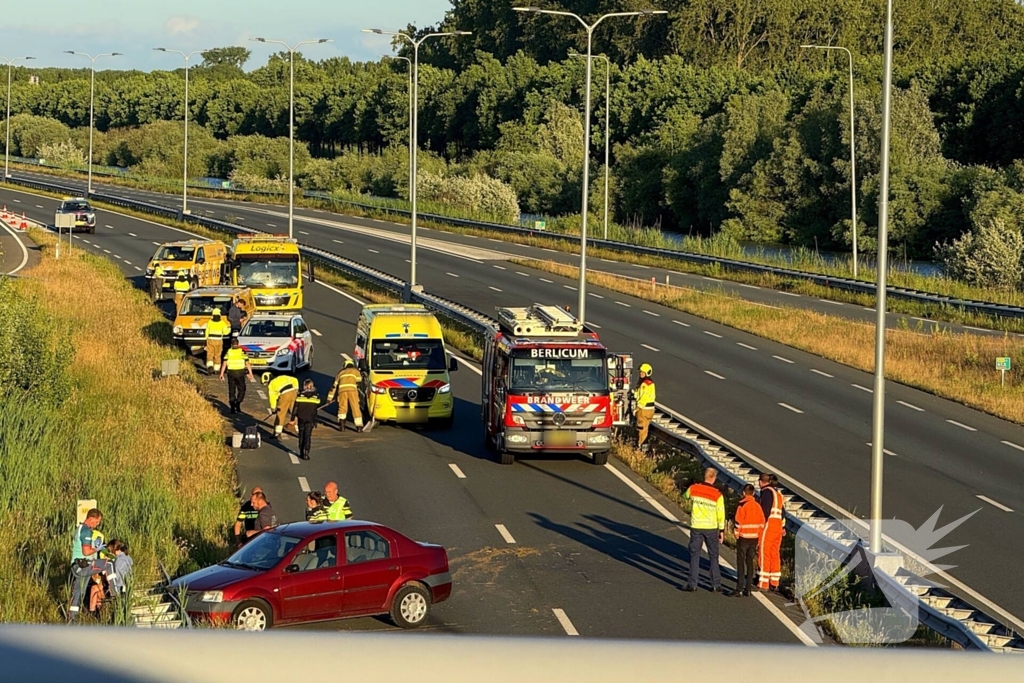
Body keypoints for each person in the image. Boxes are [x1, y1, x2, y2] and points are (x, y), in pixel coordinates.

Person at [682, 468, 725, 593]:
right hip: (711, 528)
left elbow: (685, 496)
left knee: (694, 555)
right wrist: (721, 530)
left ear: (705, 476)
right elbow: (721, 514)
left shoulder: (694, 488)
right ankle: (716, 584)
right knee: (713, 555)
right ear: (714, 478)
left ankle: (692, 584)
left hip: (697, 526)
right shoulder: (717, 495)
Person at [68, 508, 108, 622]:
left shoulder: (79, 529)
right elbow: (86, 552)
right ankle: (116, 591)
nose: (97, 524)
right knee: (108, 564)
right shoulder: (86, 531)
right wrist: (98, 549)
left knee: (78, 593)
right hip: (83, 565)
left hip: (78, 565)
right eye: (96, 521)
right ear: (91, 518)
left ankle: (72, 618)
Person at [733, 484, 766, 597]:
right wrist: (758, 535)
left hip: (743, 538)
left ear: (744, 493)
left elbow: (738, 522)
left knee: (741, 563)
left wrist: (736, 534)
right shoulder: (757, 506)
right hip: (754, 538)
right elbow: (762, 523)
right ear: (753, 493)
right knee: (750, 562)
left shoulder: (742, 505)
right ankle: (748, 589)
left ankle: (739, 589)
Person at [758, 473, 785, 592]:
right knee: (775, 553)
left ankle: (763, 583)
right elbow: (783, 513)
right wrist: (783, 528)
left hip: (768, 526)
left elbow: (764, 511)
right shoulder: (778, 494)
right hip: (778, 526)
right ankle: (774, 581)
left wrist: (759, 527)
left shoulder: (767, 492)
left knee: (764, 552)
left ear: (761, 482)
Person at [326, 358, 363, 431]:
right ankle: (359, 427)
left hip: (342, 392)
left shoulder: (340, 373)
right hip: (352, 391)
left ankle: (342, 426)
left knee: (342, 408)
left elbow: (333, 387)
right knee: (355, 407)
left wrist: (329, 399)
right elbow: (359, 381)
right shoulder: (355, 371)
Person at [220, 338, 255, 414]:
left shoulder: (228, 352)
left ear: (231, 344)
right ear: (238, 344)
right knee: (242, 389)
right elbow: (247, 363)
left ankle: (232, 407)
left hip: (231, 373)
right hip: (240, 373)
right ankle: (238, 402)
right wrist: (250, 373)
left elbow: (224, 364)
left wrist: (221, 374)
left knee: (231, 390)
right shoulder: (242, 352)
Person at [263, 372, 299, 438]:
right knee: (294, 412)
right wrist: (296, 389)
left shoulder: (271, 385)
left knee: (281, 414)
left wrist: (273, 409)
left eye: (266, 382)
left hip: (284, 395)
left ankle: (277, 432)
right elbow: (295, 379)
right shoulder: (282, 377)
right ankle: (299, 430)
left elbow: (272, 398)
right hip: (293, 393)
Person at [293, 379, 321, 461]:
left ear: (304, 386)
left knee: (301, 435)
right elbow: (316, 409)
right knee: (307, 436)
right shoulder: (316, 397)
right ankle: (306, 452)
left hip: (301, 419)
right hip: (310, 419)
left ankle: (301, 451)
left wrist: (292, 418)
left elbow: (295, 408)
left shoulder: (300, 396)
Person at [633, 363, 656, 449]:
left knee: (641, 428)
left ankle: (640, 445)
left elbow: (643, 397)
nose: (641, 374)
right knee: (645, 427)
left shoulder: (644, 384)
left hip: (643, 409)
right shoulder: (650, 383)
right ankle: (644, 445)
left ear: (647, 373)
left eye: (643, 372)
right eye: (640, 372)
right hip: (650, 409)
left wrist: (637, 408)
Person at [204, 308, 232, 374]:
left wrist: (206, 339)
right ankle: (216, 368)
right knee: (217, 354)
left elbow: (207, 331)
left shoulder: (210, 322)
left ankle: (210, 366)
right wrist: (229, 329)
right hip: (219, 340)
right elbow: (225, 332)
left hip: (210, 339)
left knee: (210, 354)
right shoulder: (222, 323)